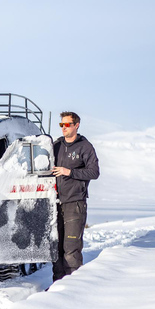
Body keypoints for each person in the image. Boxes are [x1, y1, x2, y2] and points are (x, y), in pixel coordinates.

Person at [51, 111, 100, 282]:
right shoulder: (56, 145)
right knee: (56, 248)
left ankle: (73, 287)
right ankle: (57, 286)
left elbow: (94, 172)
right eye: (61, 125)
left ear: (76, 125)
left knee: (71, 248)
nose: (64, 128)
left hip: (75, 203)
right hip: (55, 204)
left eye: (67, 124)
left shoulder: (85, 147)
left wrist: (69, 172)